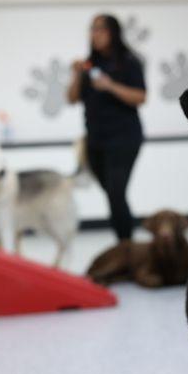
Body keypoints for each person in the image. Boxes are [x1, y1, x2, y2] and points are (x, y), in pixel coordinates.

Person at [67, 14, 147, 243]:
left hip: (124, 138)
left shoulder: (129, 62)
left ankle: (125, 246)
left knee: (115, 194)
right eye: (92, 29)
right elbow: (72, 98)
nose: (95, 34)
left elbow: (140, 97)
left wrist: (110, 85)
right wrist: (75, 74)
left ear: (113, 32)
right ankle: (126, 244)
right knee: (113, 194)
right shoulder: (89, 64)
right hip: (95, 140)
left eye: (100, 29)